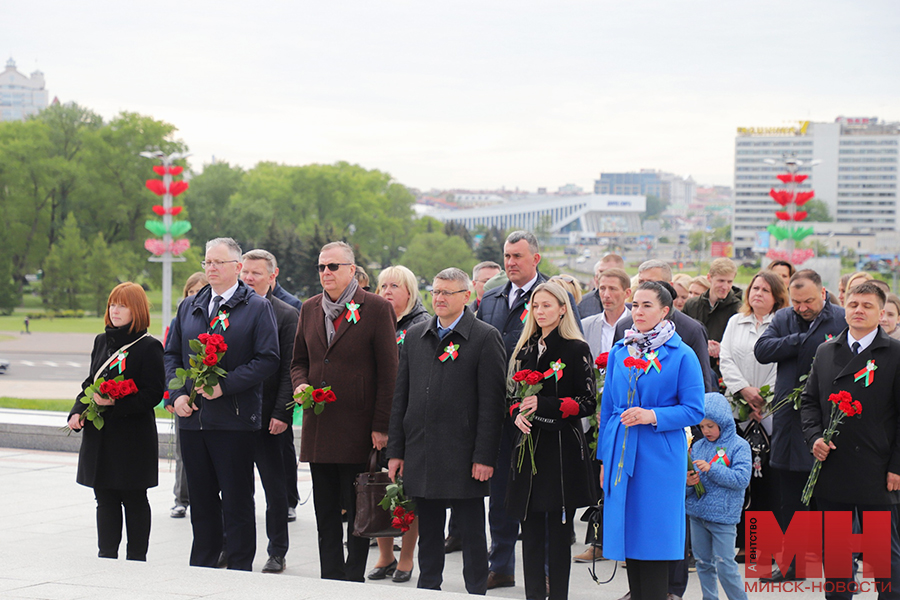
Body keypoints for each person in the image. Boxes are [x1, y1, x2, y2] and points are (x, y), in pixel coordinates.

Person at [387, 267, 506, 594]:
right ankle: (429, 588)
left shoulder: (484, 337)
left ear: (465, 296)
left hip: (465, 455)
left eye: (447, 293)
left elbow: (492, 405)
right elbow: (402, 397)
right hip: (422, 452)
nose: (438, 298)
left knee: (470, 533)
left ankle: (476, 590)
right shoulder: (416, 336)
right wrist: (396, 451)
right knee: (429, 534)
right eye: (435, 291)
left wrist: (484, 456)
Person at [165, 237, 281, 571]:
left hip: (233, 421)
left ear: (237, 267)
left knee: (236, 500)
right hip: (193, 420)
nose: (211, 268)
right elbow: (172, 355)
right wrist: (177, 394)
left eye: (218, 263)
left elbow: (268, 359)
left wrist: (224, 386)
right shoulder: (190, 305)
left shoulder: (257, 307)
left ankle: (240, 567)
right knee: (200, 501)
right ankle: (203, 563)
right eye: (207, 262)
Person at [290, 241, 398, 582]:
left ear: (352, 270)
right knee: (324, 513)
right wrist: (300, 384)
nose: (326, 273)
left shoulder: (377, 308)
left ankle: (352, 577)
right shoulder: (309, 309)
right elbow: (298, 362)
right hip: (320, 427)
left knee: (357, 509)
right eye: (321, 267)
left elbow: (389, 372)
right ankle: (330, 575)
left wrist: (381, 425)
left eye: (333, 266)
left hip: (358, 427)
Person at [598, 281, 705, 600]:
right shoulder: (620, 351)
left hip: (659, 456)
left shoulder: (681, 354)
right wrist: (604, 459)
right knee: (630, 533)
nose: (638, 311)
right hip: (621, 452)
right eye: (634, 305)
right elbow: (607, 411)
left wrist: (652, 415)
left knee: (654, 537)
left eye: (647, 305)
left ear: (664, 310)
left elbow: (694, 410)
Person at [800, 281, 900, 599]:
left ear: (881, 313)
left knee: (882, 553)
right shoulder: (827, 350)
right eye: (854, 304)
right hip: (834, 465)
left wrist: (897, 466)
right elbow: (810, 402)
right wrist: (814, 437)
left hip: (878, 466)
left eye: (867, 306)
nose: (859, 311)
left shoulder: (895, 353)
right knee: (837, 551)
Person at [507, 282, 598, 600]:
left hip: (560, 452)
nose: (540, 311)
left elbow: (587, 402)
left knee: (559, 536)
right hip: (527, 449)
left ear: (563, 308)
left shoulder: (576, 349)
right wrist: (516, 412)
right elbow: (511, 396)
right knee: (529, 534)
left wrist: (543, 405)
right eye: (535, 306)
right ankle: (533, 595)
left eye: (547, 305)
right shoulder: (525, 348)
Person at [754, 269, 846, 582]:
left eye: (808, 301)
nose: (802, 307)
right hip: (790, 421)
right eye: (797, 302)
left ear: (823, 294)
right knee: (790, 497)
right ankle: (793, 564)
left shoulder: (842, 318)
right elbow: (763, 350)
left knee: (834, 497)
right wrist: (803, 339)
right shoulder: (783, 319)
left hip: (832, 417)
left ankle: (841, 562)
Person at [68, 282, 165, 560]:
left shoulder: (149, 347)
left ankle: (136, 557)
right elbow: (90, 382)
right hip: (101, 436)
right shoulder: (101, 341)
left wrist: (116, 402)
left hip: (132, 437)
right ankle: (106, 555)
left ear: (137, 309)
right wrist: (77, 410)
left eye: (122, 305)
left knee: (133, 498)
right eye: (112, 304)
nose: (115, 310)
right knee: (105, 498)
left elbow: (153, 394)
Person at [476, 230, 548, 589]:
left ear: (536, 258)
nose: (510, 262)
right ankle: (500, 563)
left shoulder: (552, 296)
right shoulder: (492, 297)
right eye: (506, 255)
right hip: (498, 410)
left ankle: (546, 572)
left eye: (517, 256)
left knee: (538, 495)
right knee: (500, 491)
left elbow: (569, 354)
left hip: (537, 415)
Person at [719, 270, 787, 557]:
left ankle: (767, 544)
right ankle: (745, 543)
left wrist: (764, 398)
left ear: (776, 297)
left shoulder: (783, 323)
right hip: (739, 408)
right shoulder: (736, 321)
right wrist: (744, 391)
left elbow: (782, 365)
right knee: (741, 478)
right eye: (754, 288)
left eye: (765, 290)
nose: (757, 293)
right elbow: (726, 358)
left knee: (767, 480)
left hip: (770, 413)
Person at [240, 249, 300, 574]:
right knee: (236, 488)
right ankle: (234, 546)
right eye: (245, 272)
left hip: (270, 420)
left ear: (272, 276)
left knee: (275, 490)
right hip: (234, 418)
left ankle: (277, 550)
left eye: (256, 273)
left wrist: (282, 413)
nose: (249, 278)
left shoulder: (286, 315)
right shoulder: (229, 310)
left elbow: (292, 368)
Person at [369, 265, 430, 583]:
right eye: (382, 286)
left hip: (406, 421)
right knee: (380, 487)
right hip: (374, 418)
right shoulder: (375, 319)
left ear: (410, 291)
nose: (388, 291)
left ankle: (406, 558)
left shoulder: (421, 324)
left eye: (395, 285)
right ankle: (384, 554)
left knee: (406, 491)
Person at [614, 260, 718, 394]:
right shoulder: (624, 326)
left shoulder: (692, 330)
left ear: (669, 286)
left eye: (652, 283)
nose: (646, 288)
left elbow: (701, 385)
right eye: (641, 282)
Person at [685, 393, 751, 600]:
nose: (706, 431)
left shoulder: (739, 446)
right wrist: (688, 483)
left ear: (723, 421)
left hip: (723, 518)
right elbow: (688, 483)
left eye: (711, 426)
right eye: (702, 426)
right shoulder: (697, 446)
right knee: (703, 563)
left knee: (725, 565)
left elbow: (742, 479)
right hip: (697, 515)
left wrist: (712, 469)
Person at [168, 271, 208, 520]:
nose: (194, 297)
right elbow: (169, 357)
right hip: (184, 397)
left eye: (199, 291)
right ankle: (181, 498)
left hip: (211, 397)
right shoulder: (180, 320)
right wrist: (172, 396)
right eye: (190, 292)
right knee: (183, 452)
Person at [682, 258, 742, 378]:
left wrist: (722, 348)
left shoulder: (739, 310)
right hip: (693, 369)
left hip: (724, 374)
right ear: (709, 278)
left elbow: (742, 346)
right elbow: (681, 336)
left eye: (729, 282)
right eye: (721, 281)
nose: (725, 286)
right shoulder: (692, 305)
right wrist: (702, 344)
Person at [582, 268, 632, 360]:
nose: (606, 295)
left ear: (627, 293)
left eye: (613, 289)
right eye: (602, 288)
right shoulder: (585, 326)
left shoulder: (638, 324)